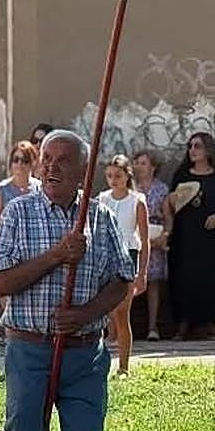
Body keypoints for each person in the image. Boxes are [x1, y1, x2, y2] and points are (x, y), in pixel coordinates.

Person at [0, 129, 134, 431]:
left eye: (63, 160)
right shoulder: (19, 212)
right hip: (30, 350)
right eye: (46, 159)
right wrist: (56, 255)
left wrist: (87, 312)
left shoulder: (100, 217)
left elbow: (121, 281)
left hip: (85, 356)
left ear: (84, 172)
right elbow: (0, 283)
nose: (51, 167)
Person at [98, 155, 149, 375]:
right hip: (107, 255)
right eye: (109, 176)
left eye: (118, 175)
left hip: (128, 254)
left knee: (122, 312)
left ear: (127, 175)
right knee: (103, 311)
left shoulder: (137, 200)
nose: (113, 180)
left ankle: (124, 367)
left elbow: (144, 239)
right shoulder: (102, 199)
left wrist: (142, 273)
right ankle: (99, 365)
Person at [163, 131, 215, 340]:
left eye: (197, 146)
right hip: (185, 238)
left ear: (208, 150)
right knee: (184, 278)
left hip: (210, 239)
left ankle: (210, 323)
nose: (192, 150)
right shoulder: (182, 175)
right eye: (190, 146)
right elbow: (170, 204)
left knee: (209, 278)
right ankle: (183, 325)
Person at [0, 141, 43, 276]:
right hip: (8, 256)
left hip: (36, 256)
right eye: (16, 160)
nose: (20, 164)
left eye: (25, 160)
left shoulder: (41, 189)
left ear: (32, 162)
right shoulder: (0, 192)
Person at [131, 149, 170, 340]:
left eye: (143, 163)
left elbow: (168, 216)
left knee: (153, 283)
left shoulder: (161, 189)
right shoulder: (131, 188)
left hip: (155, 236)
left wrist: (165, 236)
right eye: (136, 162)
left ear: (153, 167)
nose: (138, 166)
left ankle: (153, 327)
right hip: (135, 237)